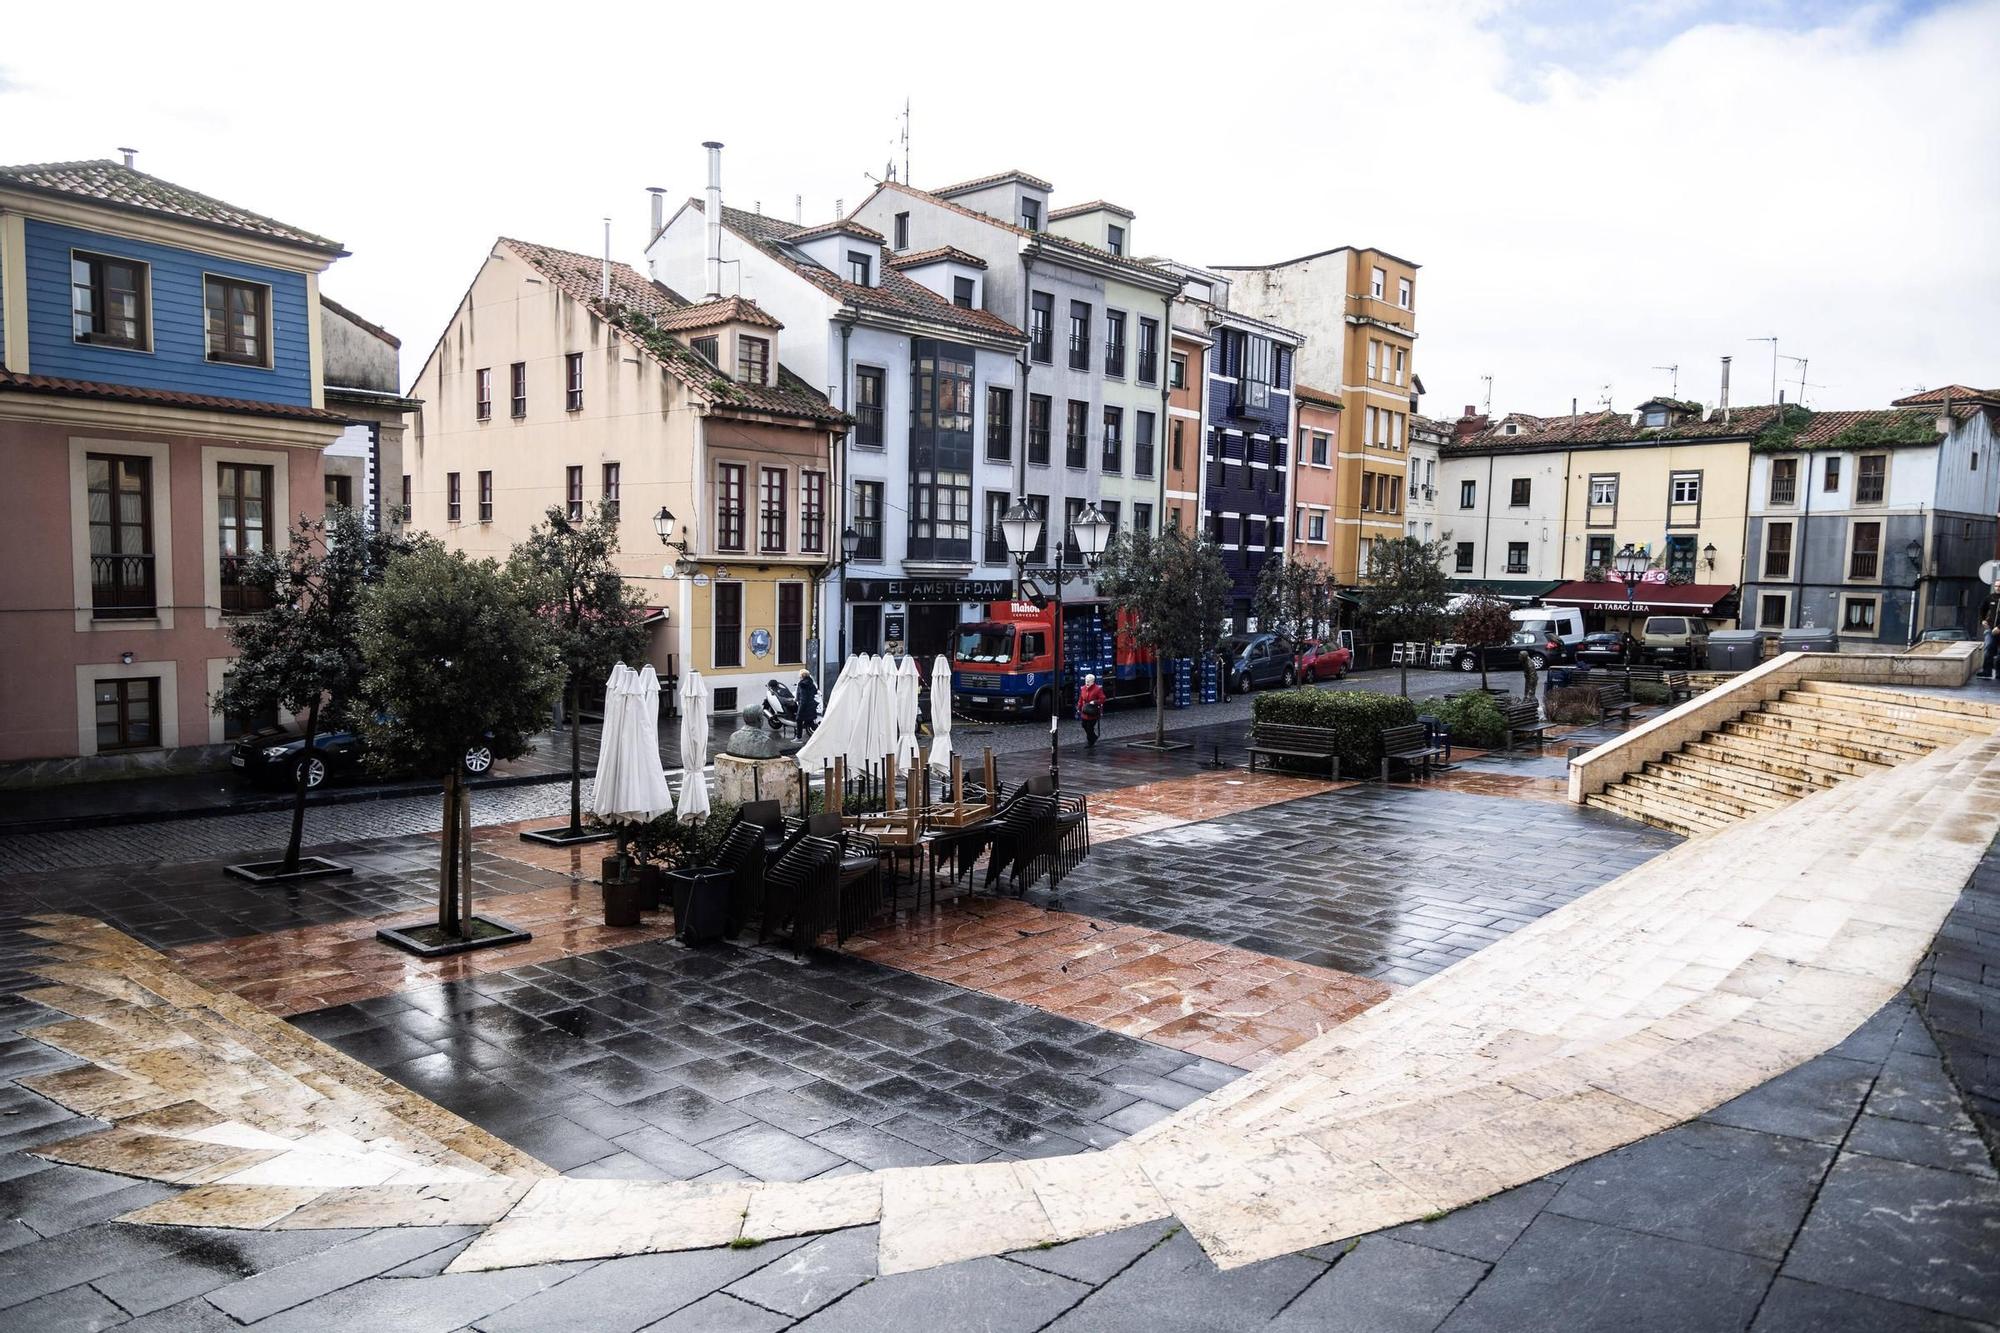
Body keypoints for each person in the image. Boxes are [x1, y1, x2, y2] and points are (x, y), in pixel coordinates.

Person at [1076, 672, 1106, 748]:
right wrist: (1078, 708)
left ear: (1093, 682)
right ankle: (1094, 737)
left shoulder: (1097, 689)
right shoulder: (1083, 689)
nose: (1087, 683)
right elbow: (1081, 699)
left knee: (1090, 727)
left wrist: (1095, 702)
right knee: (1084, 725)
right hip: (1085, 711)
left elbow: (1102, 699)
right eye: (1086, 681)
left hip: (1093, 712)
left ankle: (1090, 742)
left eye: (1089, 681)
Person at [795, 666, 819, 739]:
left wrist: (800, 710)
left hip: (805, 707)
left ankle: (798, 738)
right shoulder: (811, 683)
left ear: (802, 676)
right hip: (811, 706)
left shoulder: (802, 685)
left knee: (798, 720)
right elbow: (815, 691)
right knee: (810, 722)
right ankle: (821, 734)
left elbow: (803, 699)